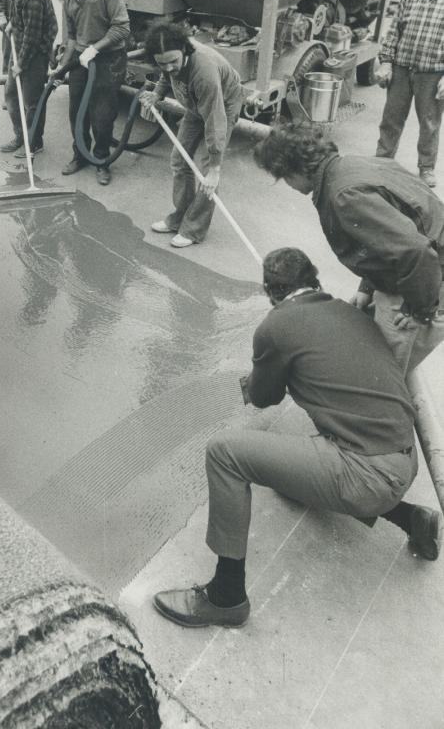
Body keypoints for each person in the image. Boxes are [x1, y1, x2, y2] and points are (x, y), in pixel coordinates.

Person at [153, 247, 441, 630]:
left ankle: (226, 597)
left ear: (270, 292)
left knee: (225, 452)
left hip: (368, 473)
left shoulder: (276, 326)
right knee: (290, 478)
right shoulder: (346, 310)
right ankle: (411, 517)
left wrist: (254, 378)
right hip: (403, 461)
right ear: (314, 280)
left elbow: (264, 397)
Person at [255, 123, 444, 371]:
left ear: (295, 170)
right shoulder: (353, 165)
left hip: (427, 281)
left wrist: (419, 312)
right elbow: (384, 240)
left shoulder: (344, 195)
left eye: (283, 177)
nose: (287, 185)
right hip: (421, 269)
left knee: (377, 375)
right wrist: (368, 285)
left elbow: (415, 251)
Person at [140, 21, 245, 248]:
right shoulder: (170, 59)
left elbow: (215, 121)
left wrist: (216, 168)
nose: (168, 68)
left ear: (184, 51)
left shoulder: (204, 72)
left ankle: (194, 228)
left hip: (223, 104)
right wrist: (157, 94)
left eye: (172, 62)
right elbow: (166, 76)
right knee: (179, 160)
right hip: (194, 103)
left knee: (208, 172)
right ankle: (180, 216)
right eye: (161, 64)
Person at [51, 0, 130, 187]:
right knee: (77, 110)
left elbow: (122, 28)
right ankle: (80, 155)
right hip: (80, 59)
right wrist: (62, 68)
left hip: (109, 58)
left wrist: (96, 48)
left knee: (102, 113)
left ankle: (101, 159)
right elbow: (72, 36)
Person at [375, 0, 444, 188]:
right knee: (391, 118)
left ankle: (426, 168)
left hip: (433, 74)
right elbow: (393, 33)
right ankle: (383, 161)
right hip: (402, 71)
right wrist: (386, 63)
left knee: (429, 125)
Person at [0, 0, 58, 159]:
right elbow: (16, 6)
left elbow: (32, 38)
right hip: (21, 43)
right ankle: (21, 136)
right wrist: (13, 21)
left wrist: (20, 64)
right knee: (11, 93)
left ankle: (34, 143)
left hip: (35, 52)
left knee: (32, 102)